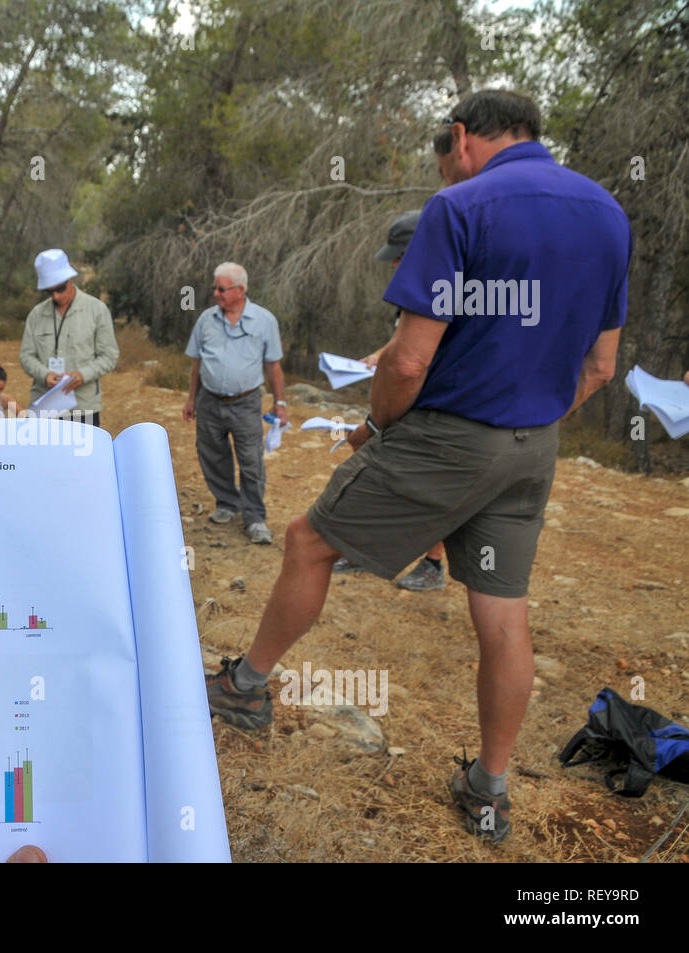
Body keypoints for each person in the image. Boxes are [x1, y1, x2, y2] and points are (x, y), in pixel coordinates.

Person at [205, 90, 632, 844]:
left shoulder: (462, 208)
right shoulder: (607, 214)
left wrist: (375, 426)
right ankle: (491, 789)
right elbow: (601, 364)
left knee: (307, 541)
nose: (443, 180)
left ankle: (245, 685)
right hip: (534, 445)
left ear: (461, 138)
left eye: (444, 164)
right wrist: (529, 418)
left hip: (448, 438)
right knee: (503, 616)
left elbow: (407, 357)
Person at [334, 211, 448, 591]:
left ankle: (432, 564)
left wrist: (375, 421)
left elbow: (420, 357)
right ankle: (362, 549)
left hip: (423, 408)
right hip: (405, 405)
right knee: (372, 469)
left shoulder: (444, 285)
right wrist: (379, 355)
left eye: (401, 254)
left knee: (406, 480)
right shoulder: (419, 285)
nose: (396, 263)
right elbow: (406, 340)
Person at [182, 263, 288, 545]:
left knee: (251, 461)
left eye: (222, 288)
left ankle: (255, 518)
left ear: (241, 290)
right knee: (212, 454)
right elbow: (197, 363)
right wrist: (191, 399)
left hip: (245, 403)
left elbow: (273, 366)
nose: (215, 293)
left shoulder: (265, 321)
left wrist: (280, 403)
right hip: (209, 400)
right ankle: (228, 503)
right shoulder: (206, 320)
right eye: (215, 287)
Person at [19, 249, 118, 428]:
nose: (56, 296)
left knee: (83, 456)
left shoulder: (96, 310)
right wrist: (45, 374)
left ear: (71, 279)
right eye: (50, 292)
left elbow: (109, 356)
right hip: (44, 407)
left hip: (83, 407)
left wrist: (83, 375)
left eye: (60, 289)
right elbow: (26, 356)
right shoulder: (36, 314)